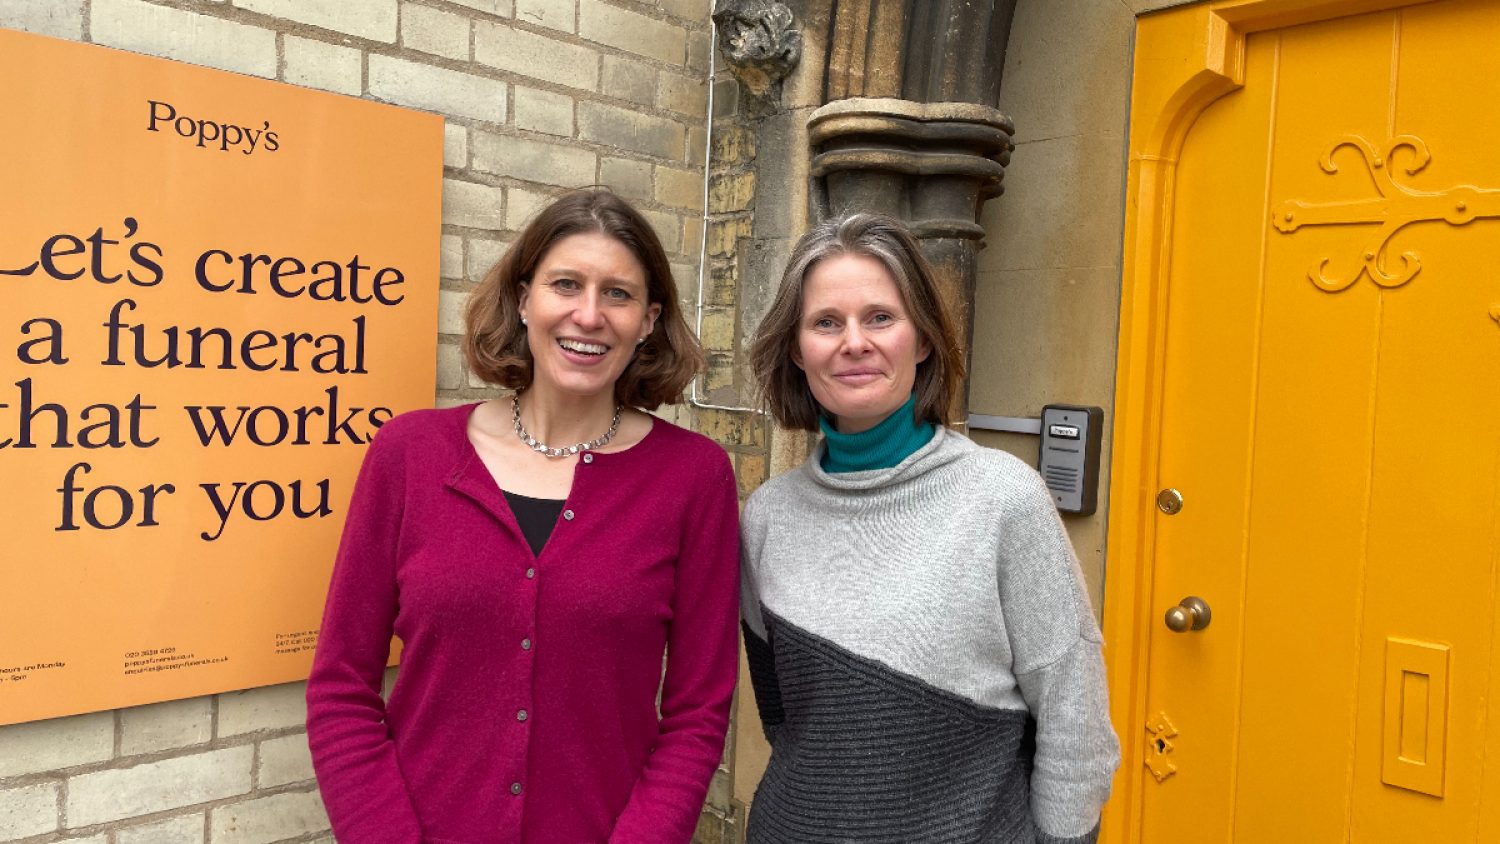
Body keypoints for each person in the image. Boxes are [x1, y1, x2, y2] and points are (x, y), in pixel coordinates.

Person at [306, 188, 741, 844]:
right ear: (524, 298)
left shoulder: (694, 478)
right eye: (565, 284)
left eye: (618, 294)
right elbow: (340, 690)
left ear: (649, 320)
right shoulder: (411, 455)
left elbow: (697, 713)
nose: (588, 314)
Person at [740, 213, 1120, 842]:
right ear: (795, 349)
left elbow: (1073, 719)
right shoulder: (767, 516)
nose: (853, 342)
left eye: (880, 317)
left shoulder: (1003, 498)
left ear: (922, 340)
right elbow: (785, 718)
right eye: (826, 322)